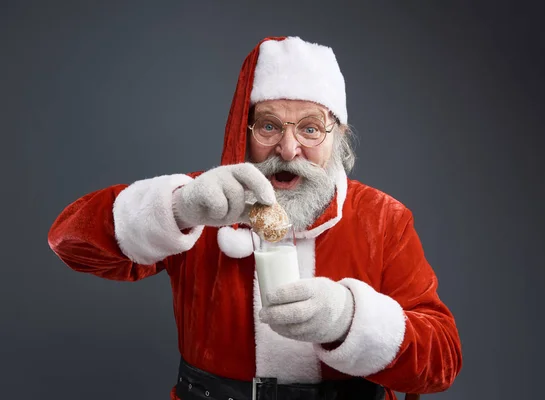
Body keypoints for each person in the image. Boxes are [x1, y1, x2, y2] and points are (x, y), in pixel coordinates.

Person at [48, 36, 462, 400]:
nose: (288, 149)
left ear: (338, 136)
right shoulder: (202, 201)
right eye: (268, 126)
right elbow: (70, 241)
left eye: (310, 129)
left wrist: (348, 319)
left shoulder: (382, 219)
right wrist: (177, 209)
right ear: (243, 132)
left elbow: (442, 360)